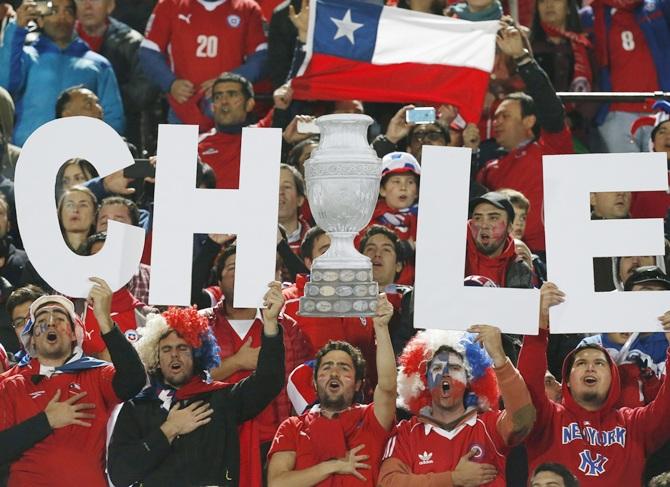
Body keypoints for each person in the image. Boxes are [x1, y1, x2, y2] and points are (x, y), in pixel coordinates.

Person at [108, 284, 286, 487]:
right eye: (166, 349)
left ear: (198, 354)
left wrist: (270, 325)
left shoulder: (221, 398)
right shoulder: (137, 407)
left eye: (182, 348)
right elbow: (120, 474)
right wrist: (169, 430)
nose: (174, 354)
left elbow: (269, 380)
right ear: (155, 357)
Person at [517, 281, 670, 485]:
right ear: (567, 381)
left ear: (613, 378)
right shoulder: (547, 420)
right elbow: (529, 383)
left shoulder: (635, 425)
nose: (590, 367)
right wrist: (538, 327)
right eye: (581, 363)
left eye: (599, 363)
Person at [0, 279, 146, 486]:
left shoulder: (96, 375)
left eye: (60, 319)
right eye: (42, 319)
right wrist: (46, 421)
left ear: (73, 335)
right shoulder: (9, 386)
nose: (50, 323)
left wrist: (105, 322)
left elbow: (134, 380)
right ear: (31, 338)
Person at [378, 325, 535, 486]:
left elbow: (523, 420)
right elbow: (387, 482)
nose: (445, 373)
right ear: (424, 381)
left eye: (454, 368)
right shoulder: (406, 434)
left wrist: (500, 359)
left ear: (469, 381)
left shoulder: (489, 426)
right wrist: (453, 479)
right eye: (437, 368)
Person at [267, 294, 396, 487]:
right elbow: (277, 483)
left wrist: (381, 327)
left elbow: (387, 386)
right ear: (314, 382)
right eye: (326, 367)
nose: (334, 372)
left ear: (358, 384)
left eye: (344, 368)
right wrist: (333, 466)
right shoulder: (293, 427)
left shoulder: (371, 419)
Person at [477, 22, 573, 256]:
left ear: (530, 121)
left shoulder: (550, 148)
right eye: (496, 116)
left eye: (506, 116)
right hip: (500, 257)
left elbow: (550, 108)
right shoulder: (490, 167)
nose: (497, 122)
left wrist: (522, 59)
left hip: (551, 255)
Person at [0, 0, 124, 147]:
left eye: (68, 11)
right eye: (54, 10)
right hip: (28, 153)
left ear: (76, 17)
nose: (62, 17)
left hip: (80, 158)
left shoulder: (99, 64)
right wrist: (17, 28)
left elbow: (113, 117)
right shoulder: (25, 57)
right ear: (41, 16)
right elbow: (5, 85)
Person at [139, 0, 267, 128]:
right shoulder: (170, 4)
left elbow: (262, 57)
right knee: (178, 148)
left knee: (232, 147)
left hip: (231, 113)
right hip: (182, 110)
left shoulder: (248, 8)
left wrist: (228, 82)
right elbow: (148, 52)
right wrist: (170, 83)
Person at [75, 0, 159, 151]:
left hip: (123, 133)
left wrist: (107, 102)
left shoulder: (131, 41)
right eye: (81, 0)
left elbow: (146, 89)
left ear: (110, 6)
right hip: (72, 130)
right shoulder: (61, 39)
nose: (87, 5)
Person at [197, 73, 270, 189]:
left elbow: (286, 98)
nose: (224, 101)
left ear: (249, 104)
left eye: (232, 95)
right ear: (212, 107)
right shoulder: (195, 145)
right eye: (218, 97)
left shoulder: (264, 136)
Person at [466, 191, 533, 288]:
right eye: (478, 218)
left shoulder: (520, 266)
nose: (484, 225)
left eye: (493, 218)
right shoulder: (452, 248)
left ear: (510, 227)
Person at [370, 152, 420, 243]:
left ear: (417, 191)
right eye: (396, 181)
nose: (403, 188)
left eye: (410, 182)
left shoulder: (428, 219)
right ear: (382, 190)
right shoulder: (367, 219)